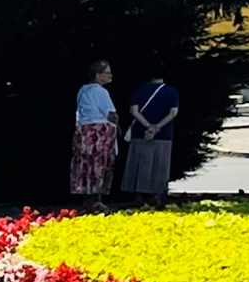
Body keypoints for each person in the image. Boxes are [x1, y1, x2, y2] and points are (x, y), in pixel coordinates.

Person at [120, 71, 181, 204]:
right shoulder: (171, 91)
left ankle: (138, 196)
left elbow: (134, 111)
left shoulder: (139, 89)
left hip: (140, 132)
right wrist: (157, 127)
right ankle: (157, 195)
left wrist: (148, 126)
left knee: (139, 164)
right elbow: (173, 113)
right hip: (164, 134)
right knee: (160, 165)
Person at [70, 60, 118, 207]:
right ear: (98, 75)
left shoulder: (82, 90)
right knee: (99, 163)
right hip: (99, 133)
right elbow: (111, 114)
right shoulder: (101, 91)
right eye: (107, 73)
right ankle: (97, 199)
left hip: (83, 131)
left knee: (86, 164)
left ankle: (87, 198)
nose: (110, 75)